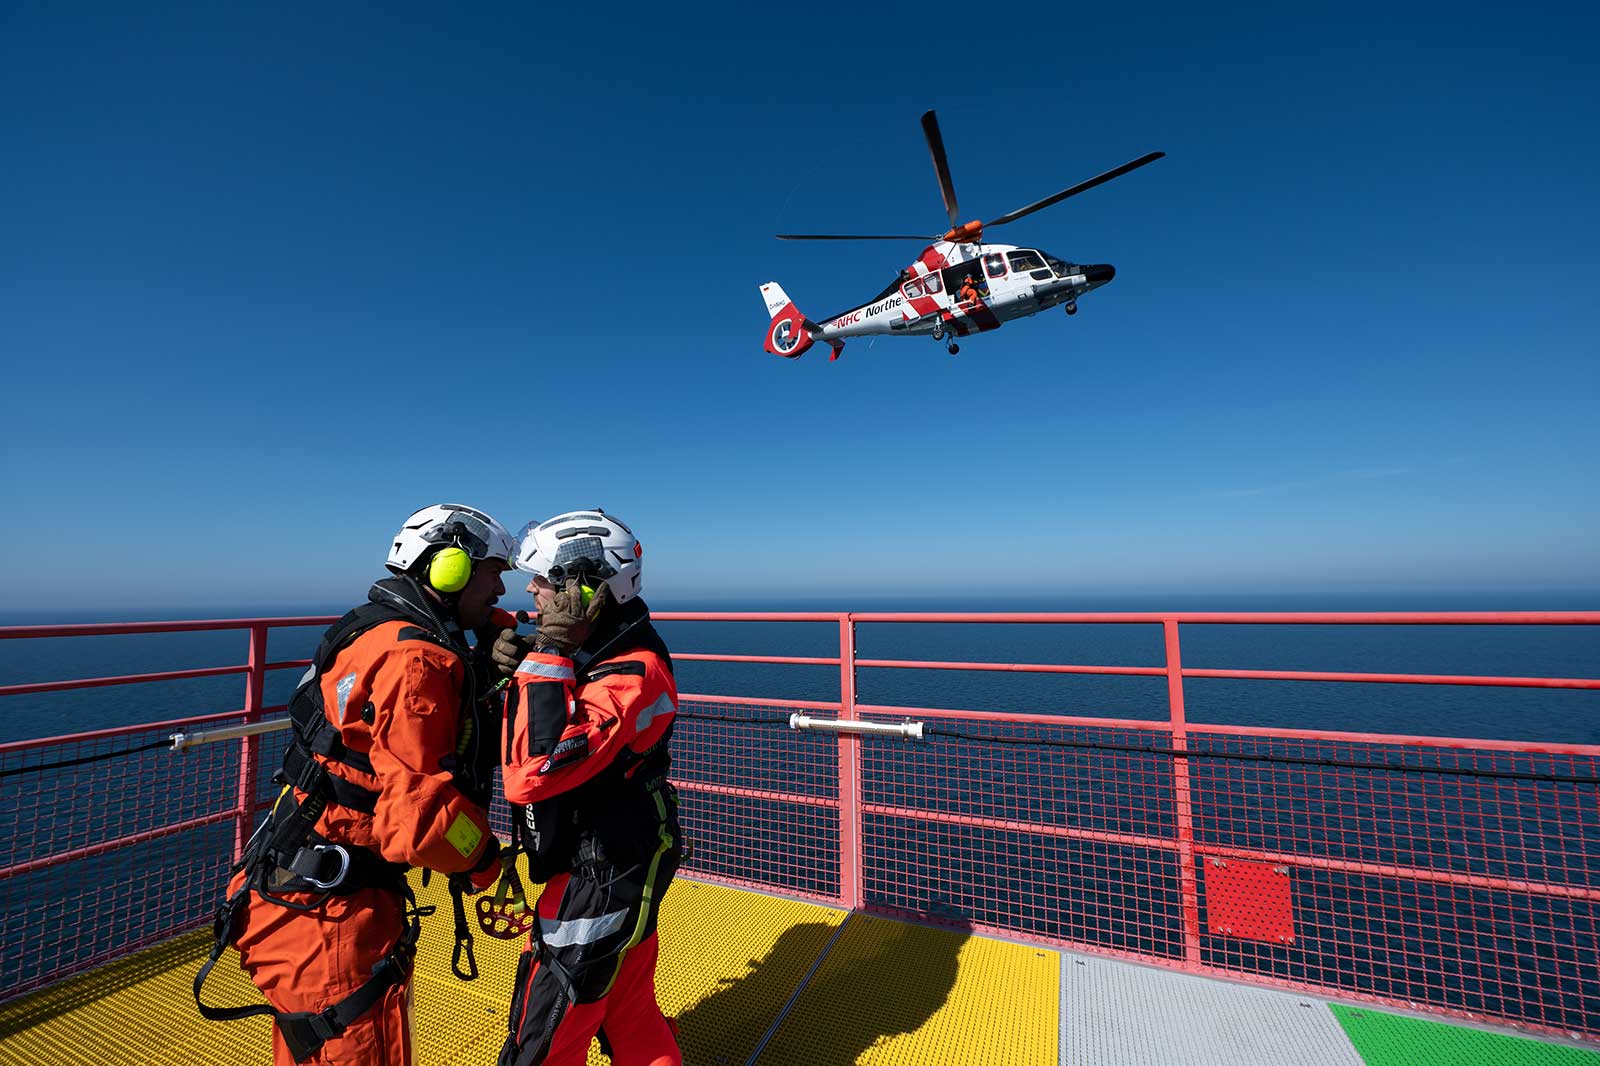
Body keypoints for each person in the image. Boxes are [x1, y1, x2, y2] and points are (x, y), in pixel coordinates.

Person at [196, 504, 517, 1065]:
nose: (500, 587)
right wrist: (485, 860)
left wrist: (493, 636)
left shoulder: (377, 628)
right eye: (493, 572)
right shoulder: (416, 659)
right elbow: (420, 820)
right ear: (451, 569)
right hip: (333, 923)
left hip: (296, 893)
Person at [491, 508, 682, 1066]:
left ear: (589, 589)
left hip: (603, 870)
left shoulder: (632, 671)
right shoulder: (603, 648)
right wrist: (524, 657)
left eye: (546, 580)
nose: (531, 589)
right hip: (622, 856)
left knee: (544, 1034)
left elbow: (533, 772)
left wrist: (545, 656)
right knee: (628, 1011)